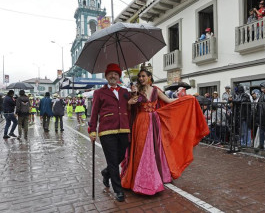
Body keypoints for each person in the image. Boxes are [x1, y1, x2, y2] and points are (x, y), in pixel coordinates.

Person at [121, 68, 209, 196]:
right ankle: (141, 179)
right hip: (140, 122)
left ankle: (155, 176)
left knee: (155, 148)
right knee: (141, 149)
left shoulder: (156, 90)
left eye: (143, 76)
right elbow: (130, 108)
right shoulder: (136, 91)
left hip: (154, 122)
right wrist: (131, 100)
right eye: (140, 76)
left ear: (149, 77)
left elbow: (169, 101)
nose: (141, 78)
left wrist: (185, 99)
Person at [88, 63, 130, 202]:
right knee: (112, 161)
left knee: (121, 157)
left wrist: (136, 94)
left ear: (119, 76)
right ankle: (118, 190)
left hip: (124, 129)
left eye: (116, 74)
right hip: (107, 131)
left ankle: (106, 173)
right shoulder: (99, 92)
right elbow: (94, 113)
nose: (113, 76)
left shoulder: (125, 92)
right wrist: (92, 130)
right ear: (106, 76)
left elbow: (137, 103)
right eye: (110, 74)